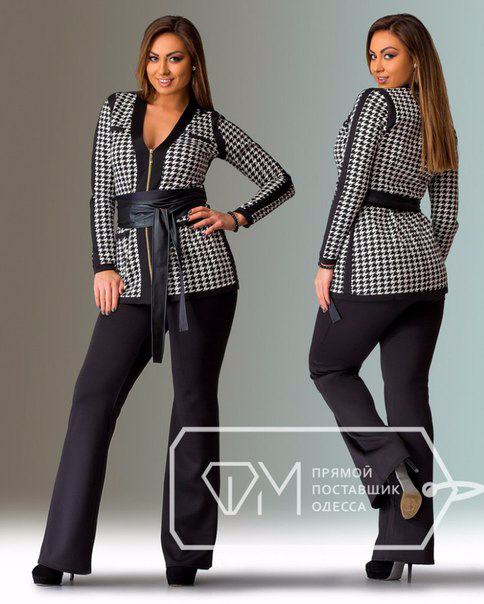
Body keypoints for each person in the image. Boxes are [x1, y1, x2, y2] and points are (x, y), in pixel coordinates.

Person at [32, 14, 294, 587]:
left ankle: (186, 554)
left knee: (194, 407)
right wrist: (103, 264)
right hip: (130, 280)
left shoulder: (208, 124)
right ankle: (61, 550)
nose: (163, 69)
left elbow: (279, 179)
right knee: (91, 400)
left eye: (175, 58)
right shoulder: (114, 110)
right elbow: (101, 192)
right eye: (154, 57)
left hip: (203, 279)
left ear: (193, 63)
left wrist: (234, 217)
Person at [308, 13, 458, 582]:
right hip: (427, 274)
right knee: (408, 394)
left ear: (416, 58)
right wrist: (424, 262)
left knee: (328, 367)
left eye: (389, 54)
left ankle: (390, 463)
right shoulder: (439, 119)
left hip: (370, 263)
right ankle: (402, 548)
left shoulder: (377, 104)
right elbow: (447, 214)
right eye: (372, 55)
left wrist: (327, 259)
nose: (377, 66)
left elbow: (351, 185)